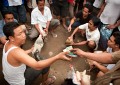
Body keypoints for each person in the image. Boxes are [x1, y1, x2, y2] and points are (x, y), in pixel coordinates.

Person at [2, 22, 71, 85]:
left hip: (9, 77)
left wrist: (30, 50)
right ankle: (44, 83)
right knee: (45, 65)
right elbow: (37, 66)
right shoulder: (17, 52)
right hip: (19, 82)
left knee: (38, 61)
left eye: (23, 32)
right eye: (20, 34)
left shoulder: (8, 43)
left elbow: (17, 56)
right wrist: (58, 57)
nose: (24, 35)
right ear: (11, 38)